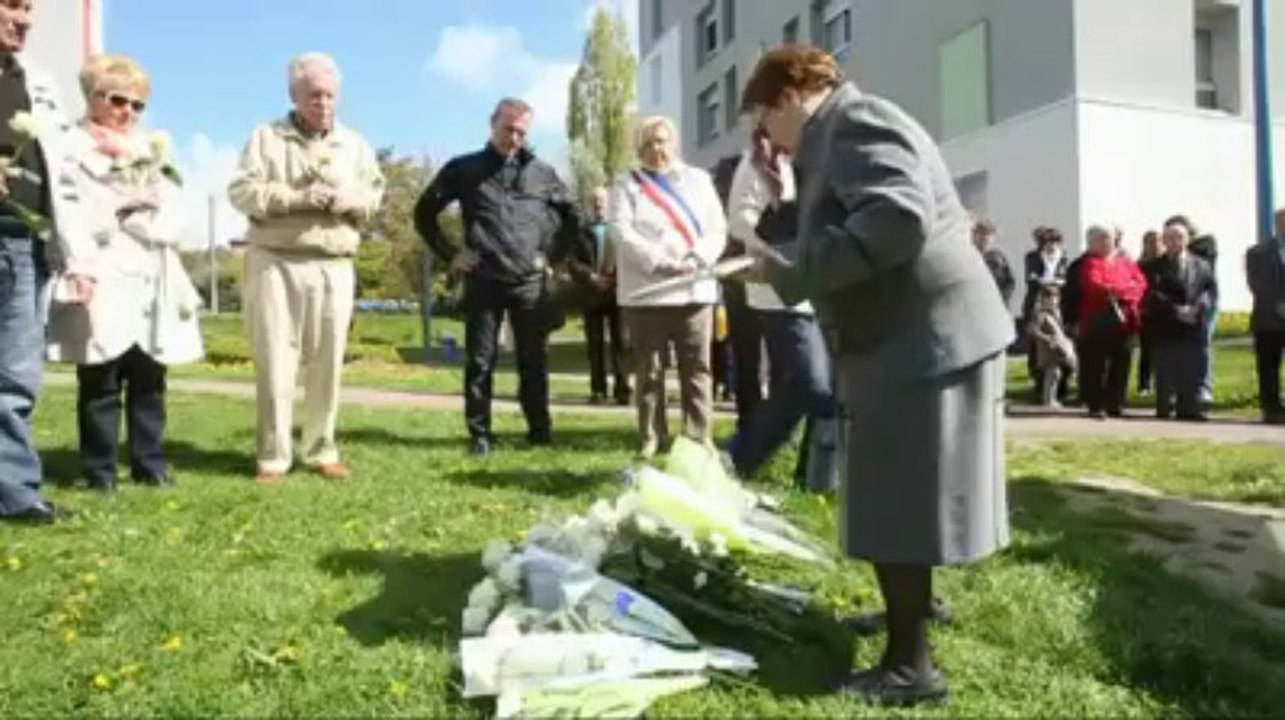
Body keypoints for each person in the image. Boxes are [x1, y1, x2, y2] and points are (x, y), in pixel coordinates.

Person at [741, 45, 1013, 705]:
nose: (764, 140)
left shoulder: (854, 121)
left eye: (760, 122)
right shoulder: (841, 129)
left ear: (784, 96)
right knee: (912, 492)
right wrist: (787, 252)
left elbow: (896, 220)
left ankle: (908, 667)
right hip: (918, 332)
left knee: (898, 497)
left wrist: (783, 269)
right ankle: (913, 612)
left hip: (924, 335)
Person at [46, 54, 203, 491]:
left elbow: (176, 215)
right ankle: (100, 470)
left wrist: (135, 215)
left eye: (137, 105)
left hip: (151, 273)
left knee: (149, 376)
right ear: (93, 97)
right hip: (101, 272)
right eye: (118, 101)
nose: (128, 113)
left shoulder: (151, 150)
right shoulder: (68, 150)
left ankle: (149, 463)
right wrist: (123, 210)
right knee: (100, 377)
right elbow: (71, 216)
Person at [228, 52, 385, 485]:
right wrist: (295, 198)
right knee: (277, 360)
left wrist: (348, 199)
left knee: (328, 361)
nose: (323, 103)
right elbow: (241, 192)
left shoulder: (354, 145)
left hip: (335, 263)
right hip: (277, 261)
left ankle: (321, 449)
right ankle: (273, 457)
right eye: (314, 94)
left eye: (331, 95)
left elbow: (375, 195)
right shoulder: (266, 138)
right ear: (293, 95)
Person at [414, 98, 579, 457]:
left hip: (529, 282)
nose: (515, 137)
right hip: (484, 279)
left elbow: (573, 218)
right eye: (509, 129)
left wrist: (550, 256)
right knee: (480, 361)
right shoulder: (465, 168)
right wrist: (451, 253)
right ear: (492, 125)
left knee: (534, 362)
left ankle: (539, 432)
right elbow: (424, 212)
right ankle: (480, 436)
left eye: (522, 131)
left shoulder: (542, 173)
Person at [0, 0, 95, 524]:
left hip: (26, 241)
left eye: (29, 8)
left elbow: (63, 175)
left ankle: (14, 494)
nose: (25, 19)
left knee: (16, 376)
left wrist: (76, 256)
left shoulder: (34, 81)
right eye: (12, 5)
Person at [723, 126, 836, 492]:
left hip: (823, 286)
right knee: (813, 385)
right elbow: (740, 220)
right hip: (779, 291)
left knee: (805, 386)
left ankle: (815, 478)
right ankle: (739, 457)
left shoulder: (818, 159)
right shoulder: (756, 165)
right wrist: (781, 254)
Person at [609, 115, 726, 459]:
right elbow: (621, 231)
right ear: (638, 148)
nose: (656, 149)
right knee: (649, 370)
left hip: (693, 288)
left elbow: (717, 230)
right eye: (648, 143)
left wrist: (696, 257)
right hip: (646, 293)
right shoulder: (626, 184)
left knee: (697, 369)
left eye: (662, 141)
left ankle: (698, 437)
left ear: (674, 143)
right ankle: (651, 436)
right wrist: (658, 261)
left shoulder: (698, 180)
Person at [1144, 219, 1216, 421]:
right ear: (1164, 241)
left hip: (1193, 324)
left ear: (1187, 240)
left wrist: (1197, 308)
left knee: (1191, 367)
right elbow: (1151, 294)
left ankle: (1189, 408)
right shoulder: (1152, 267)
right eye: (1170, 238)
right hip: (1165, 324)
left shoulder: (1201, 264)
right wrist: (1176, 310)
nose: (1175, 242)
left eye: (1180, 237)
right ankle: (1164, 407)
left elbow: (1209, 290)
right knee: (1166, 367)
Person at [1075, 224, 1147, 419]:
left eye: (1110, 238)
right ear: (1092, 242)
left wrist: (1120, 291)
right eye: (1102, 238)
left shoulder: (1124, 262)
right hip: (1098, 321)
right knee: (1095, 364)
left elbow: (1140, 283)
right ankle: (1095, 404)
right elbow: (1094, 285)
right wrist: (1121, 289)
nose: (1108, 242)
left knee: (1121, 362)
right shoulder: (1090, 263)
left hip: (1125, 320)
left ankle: (1115, 402)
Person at [566, 186, 629, 405]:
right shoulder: (580, 231)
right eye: (594, 202)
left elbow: (629, 257)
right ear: (588, 205)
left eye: (602, 201)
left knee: (620, 343)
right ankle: (598, 390)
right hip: (591, 294)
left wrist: (616, 278)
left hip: (617, 292)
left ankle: (622, 390)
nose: (599, 205)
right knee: (595, 345)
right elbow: (572, 263)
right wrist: (591, 277)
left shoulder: (619, 230)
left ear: (609, 204)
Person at [1245, 208, 1285, 425]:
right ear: (1276, 224)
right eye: (1282, 221)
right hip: (1269, 320)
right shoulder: (1258, 253)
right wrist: (1279, 305)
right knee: (1268, 367)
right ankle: (1272, 409)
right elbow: (1257, 283)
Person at [1023, 227, 1069, 401]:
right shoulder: (1033, 257)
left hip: (1057, 306)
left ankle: (1060, 389)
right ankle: (1039, 384)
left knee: (1059, 344)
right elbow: (1031, 278)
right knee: (1038, 347)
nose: (1051, 246)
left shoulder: (1063, 258)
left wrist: (1052, 281)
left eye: (1055, 242)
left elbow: (1064, 278)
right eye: (1048, 242)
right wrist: (1051, 282)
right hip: (1037, 305)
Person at [1028, 285, 1076, 409]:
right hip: (1047, 349)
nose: (1052, 301)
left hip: (1057, 348)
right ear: (1042, 299)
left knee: (1056, 374)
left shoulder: (1057, 312)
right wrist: (1047, 338)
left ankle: (1051, 398)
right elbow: (1033, 330)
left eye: (1055, 297)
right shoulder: (1040, 314)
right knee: (1052, 373)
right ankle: (1048, 399)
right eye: (1048, 298)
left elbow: (1060, 329)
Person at [1135, 230, 1163, 394]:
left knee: (1164, 349)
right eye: (1151, 242)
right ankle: (1145, 383)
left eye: (1158, 241)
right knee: (1147, 349)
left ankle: (1163, 382)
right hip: (1147, 311)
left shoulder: (1166, 264)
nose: (1155, 245)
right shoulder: (1140, 265)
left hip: (1164, 311)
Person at [973, 218, 1015, 308]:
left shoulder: (999, 257)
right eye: (981, 234)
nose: (985, 238)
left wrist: (1003, 298)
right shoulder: (968, 257)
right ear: (974, 236)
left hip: (997, 305)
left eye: (988, 234)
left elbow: (1010, 282)